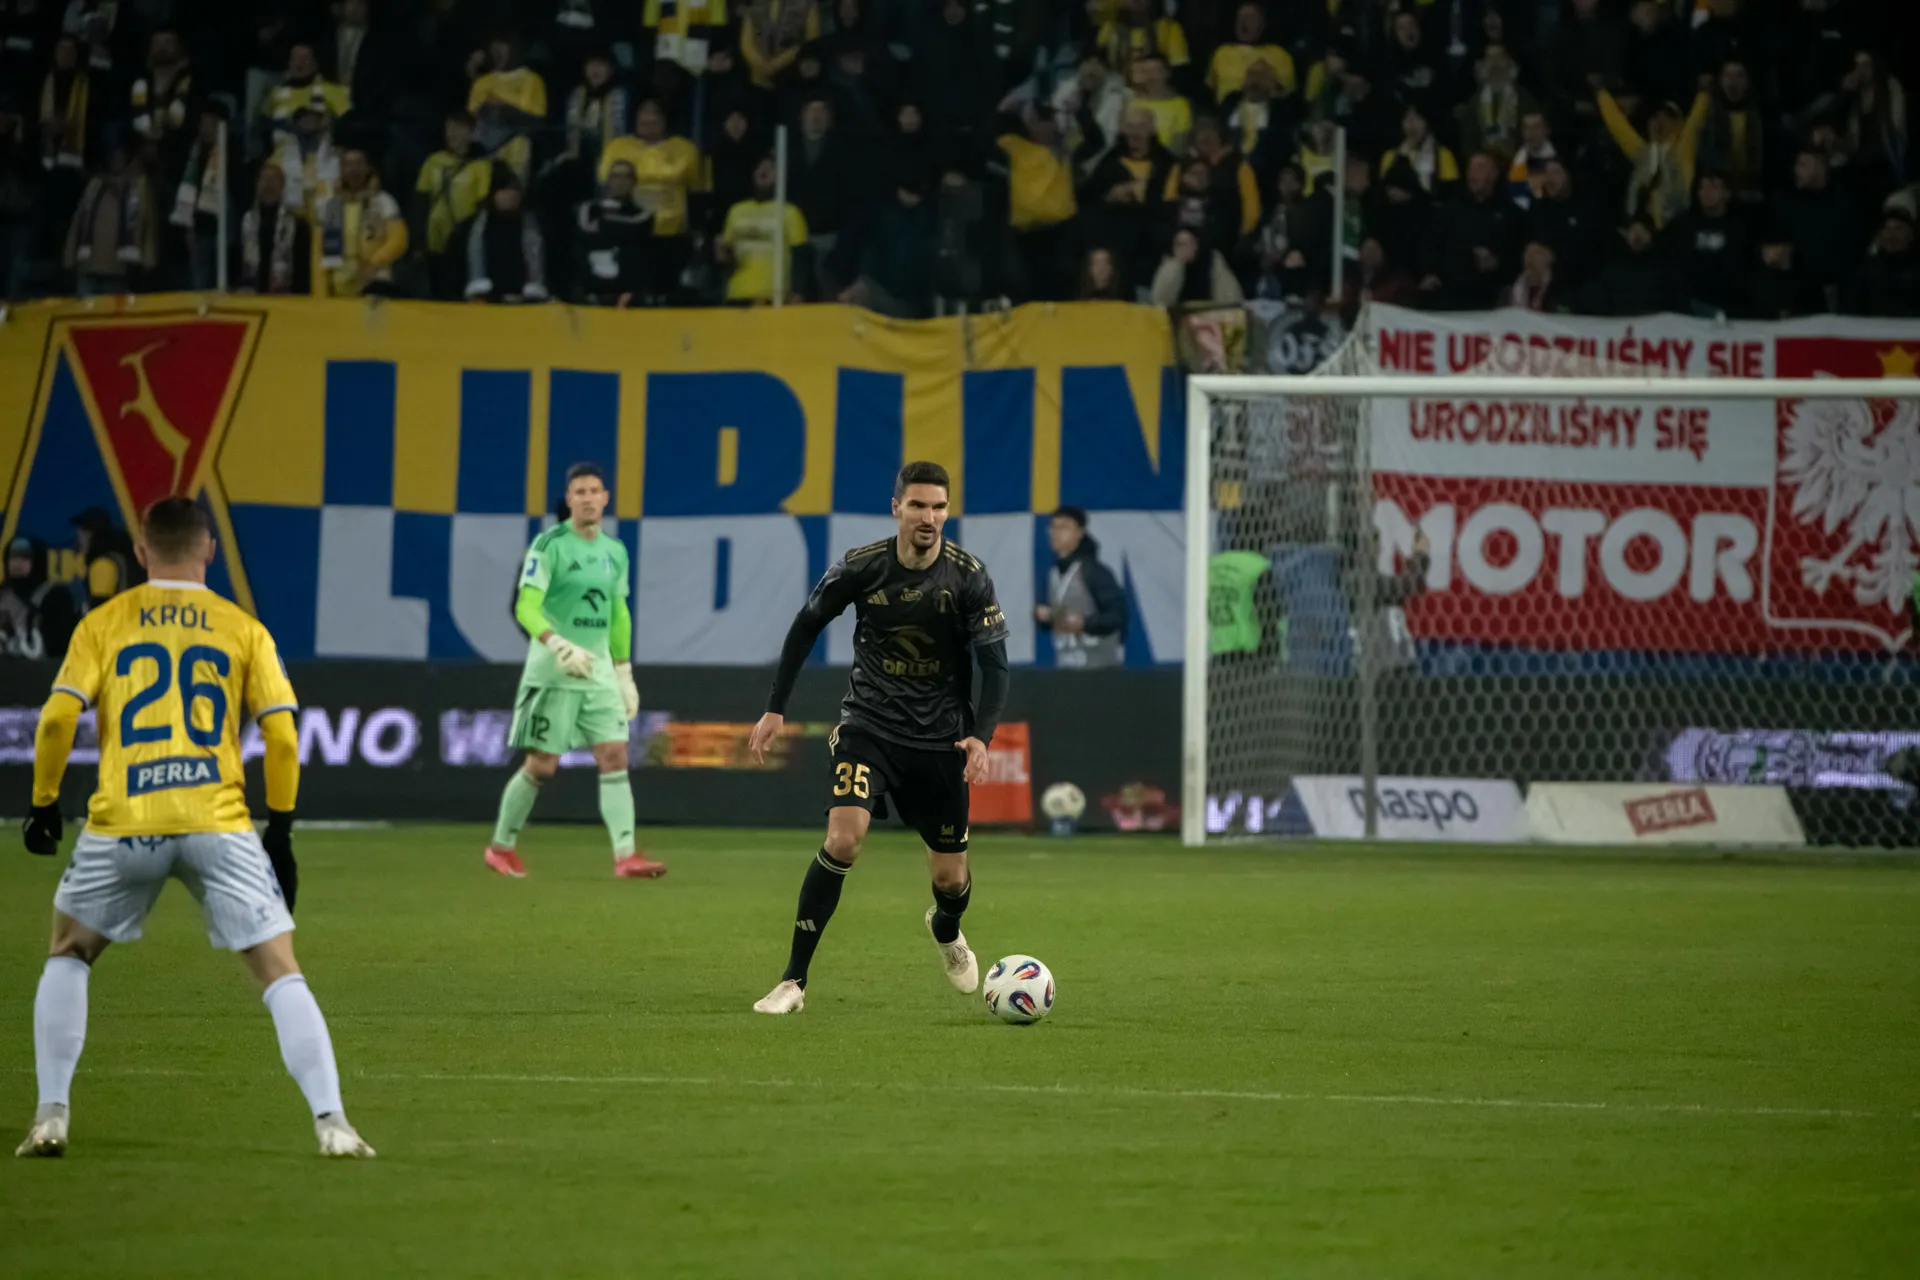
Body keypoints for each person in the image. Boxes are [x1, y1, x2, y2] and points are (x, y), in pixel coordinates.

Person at [16, 497, 374, 1159]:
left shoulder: (104, 622)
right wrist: (281, 831)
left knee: (69, 950)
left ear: (142, 553)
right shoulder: (243, 628)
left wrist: (43, 804)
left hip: (126, 820)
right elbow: (282, 736)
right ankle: (334, 1124)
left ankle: (50, 1117)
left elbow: (58, 719)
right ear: (208, 550)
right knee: (278, 969)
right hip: (218, 820)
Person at [746, 461, 1009, 1015]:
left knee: (951, 880)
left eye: (939, 507)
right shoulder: (861, 567)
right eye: (918, 505)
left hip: (941, 742)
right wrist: (775, 708)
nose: (929, 517)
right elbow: (805, 626)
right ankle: (793, 982)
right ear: (897, 508)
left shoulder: (968, 577)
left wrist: (981, 738)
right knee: (843, 841)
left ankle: (945, 928)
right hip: (869, 727)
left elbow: (996, 666)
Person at [484, 464, 661, 879]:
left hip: (598, 671)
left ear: (605, 498)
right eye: (579, 492)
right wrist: (557, 644)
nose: (587, 498)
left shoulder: (615, 551)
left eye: (594, 491)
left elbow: (618, 614)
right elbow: (525, 606)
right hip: (554, 670)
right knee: (542, 764)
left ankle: (626, 856)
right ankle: (500, 847)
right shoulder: (549, 546)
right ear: (569, 500)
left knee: (614, 754)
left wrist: (623, 672)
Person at [414, 109, 492, 300]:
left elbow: (483, 204)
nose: (451, 134)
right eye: (449, 128)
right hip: (434, 239)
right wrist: (417, 242)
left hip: (462, 241)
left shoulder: (480, 165)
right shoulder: (433, 161)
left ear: (471, 133)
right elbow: (420, 203)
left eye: (458, 128)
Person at [1036, 506, 1126, 669]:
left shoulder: (1095, 572)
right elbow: (1052, 618)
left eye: (1064, 527)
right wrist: (1044, 617)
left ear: (1080, 533)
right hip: (1066, 666)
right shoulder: (1053, 575)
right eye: (1053, 527)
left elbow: (1117, 615)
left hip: (1100, 668)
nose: (1056, 533)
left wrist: (1085, 623)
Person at [717, 154, 808, 303]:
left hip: (774, 295)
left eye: (771, 167)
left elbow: (801, 257)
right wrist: (723, 253)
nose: (764, 169)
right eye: (760, 166)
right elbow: (727, 260)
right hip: (738, 294)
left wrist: (798, 291)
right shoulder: (736, 211)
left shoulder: (790, 212)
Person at [464, 165, 548, 303]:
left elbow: (536, 258)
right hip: (487, 299)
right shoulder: (479, 225)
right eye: (504, 191)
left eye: (514, 191)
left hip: (524, 299)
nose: (509, 196)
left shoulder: (531, 224)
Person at [0, 535, 78, 659]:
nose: (17, 564)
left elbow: (62, 647)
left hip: (43, 668)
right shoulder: (3, 595)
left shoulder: (55, 596)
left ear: (38, 561)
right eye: (13, 558)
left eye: (25, 558)